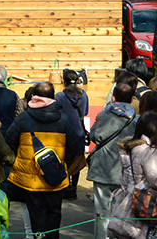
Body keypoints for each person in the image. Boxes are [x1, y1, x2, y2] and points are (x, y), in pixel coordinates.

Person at [5, 81, 83, 239]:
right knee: (54, 216)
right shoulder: (64, 120)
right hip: (55, 178)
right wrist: (60, 165)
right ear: (53, 97)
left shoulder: (23, 118)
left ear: (34, 97)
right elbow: (73, 148)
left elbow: (9, 143)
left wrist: (18, 163)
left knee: (36, 222)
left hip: (31, 180)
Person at [87, 83, 137, 239]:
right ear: (132, 99)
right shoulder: (136, 119)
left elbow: (93, 135)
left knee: (101, 212)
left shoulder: (103, 115)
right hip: (124, 169)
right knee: (120, 211)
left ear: (113, 97)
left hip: (102, 167)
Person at [108, 111, 157, 238]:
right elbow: (154, 179)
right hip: (143, 206)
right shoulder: (148, 151)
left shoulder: (129, 148)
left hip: (125, 203)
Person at [54, 69, 89, 199]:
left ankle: (66, 187)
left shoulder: (60, 96)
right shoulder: (84, 95)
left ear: (63, 81)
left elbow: (56, 113)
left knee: (64, 159)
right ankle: (74, 188)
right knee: (77, 161)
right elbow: (85, 112)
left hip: (64, 132)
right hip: (79, 131)